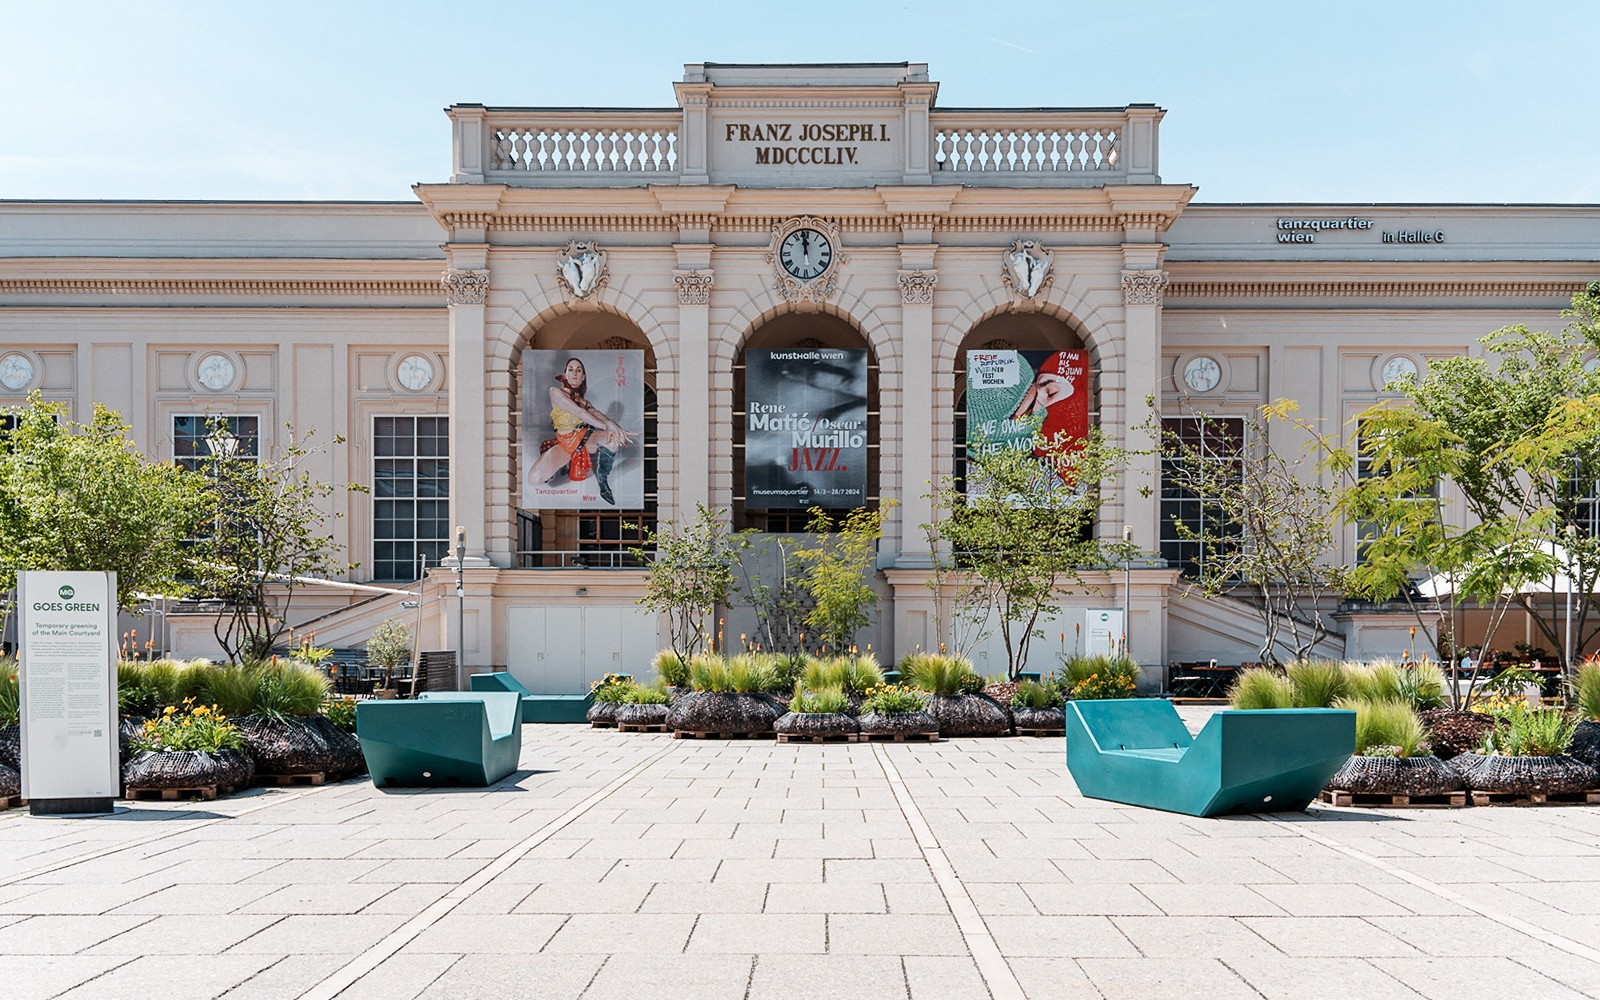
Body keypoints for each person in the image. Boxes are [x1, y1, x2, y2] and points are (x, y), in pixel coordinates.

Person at [526, 357, 633, 505]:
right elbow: (579, 413)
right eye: (571, 369)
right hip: (566, 443)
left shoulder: (584, 402)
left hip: (585, 438)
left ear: (583, 377)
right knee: (534, 479)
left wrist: (613, 426)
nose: (574, 373)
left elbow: (596, 414)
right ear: (565, 374)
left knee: (613, 437)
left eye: (579, 370)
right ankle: (563, 466)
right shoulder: (556, 392)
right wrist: (606, 426)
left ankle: (603, 480)